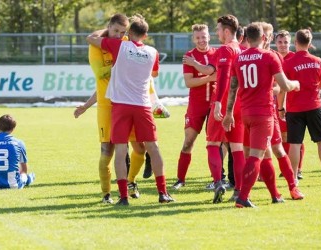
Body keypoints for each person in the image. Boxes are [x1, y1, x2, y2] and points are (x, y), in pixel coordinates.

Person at [86, 14, 173, 205]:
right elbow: (155, 74)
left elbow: (91, 39)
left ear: (129, 33)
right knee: (153, 148)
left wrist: (108, 32)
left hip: (121, 105)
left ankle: (123, 197)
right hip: (142, 105)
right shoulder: (153, 52)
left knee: (120, 149)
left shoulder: (119, 46)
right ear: (146, 35)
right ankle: (163, 193)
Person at [74, 14, 154, 204]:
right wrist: (87, 105)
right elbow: (101, 75)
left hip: (129, 102)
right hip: (107, 105)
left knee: (140, 148)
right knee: (106, 150)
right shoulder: (96, 47)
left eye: (122, 32)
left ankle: (131, 182)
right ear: (108, 27)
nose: (119, 35)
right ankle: (106, 193)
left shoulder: (125, 43)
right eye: (115, 31)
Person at [223, 22, 300, 208]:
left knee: (267, 154)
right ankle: (242, 197)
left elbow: (233, 88)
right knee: (256, 156)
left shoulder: (239, 59)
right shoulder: (270, 57)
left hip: (246, 114)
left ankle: (278, 193)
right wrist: (295, 83)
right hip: (263, 114)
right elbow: (285, 86)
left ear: (246, 38)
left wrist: (228, 113)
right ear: (264, 38)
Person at [183, 15, 242, 203]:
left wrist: (217, 102)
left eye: (217, 30)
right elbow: (210, 70)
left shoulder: (225, 49)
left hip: (224, 102)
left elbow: (223, 77)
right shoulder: (239, 49)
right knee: (237, 148)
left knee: (212, 144)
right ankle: (239, 190)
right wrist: (195, 64)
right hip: (239, 102)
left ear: (226, 31)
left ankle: (218, 182)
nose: (216, 33)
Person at [282, 29, 321, 186]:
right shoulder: (318, 61)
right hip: (315, 106)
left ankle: (293, 178)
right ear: (310, 43)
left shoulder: (288, 62)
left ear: (295, 42)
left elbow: (284, 87)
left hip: (294, 108)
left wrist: (280, 107)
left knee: (295, 143)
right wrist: (311, 90)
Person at [172, 24, 217, 190]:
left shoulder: (216, 53)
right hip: (196, 105)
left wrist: (208, 76)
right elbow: (189, 82)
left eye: (204, 36)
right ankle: (180, 179)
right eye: (198, 37)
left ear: (209, 37)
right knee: (188, 142)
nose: (201, 40)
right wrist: (209, 78)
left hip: (214, 104)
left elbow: (218, 76)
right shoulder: (189, 56)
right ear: (193, 39)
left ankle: (217, 179)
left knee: (216, 143)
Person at [275, 30, 305, 180]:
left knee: (295, 137)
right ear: (275, 43)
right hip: (277, 102)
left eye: (285, 42)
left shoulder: (294, 58)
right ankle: (287, 168)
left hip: (294, 103)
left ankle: (297, 169)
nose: (282, 45)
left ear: (291, 43)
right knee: (280, 137)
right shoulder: (273, 57)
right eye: (280, 42)